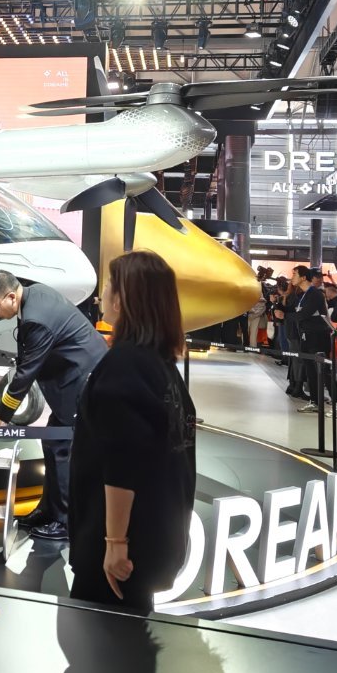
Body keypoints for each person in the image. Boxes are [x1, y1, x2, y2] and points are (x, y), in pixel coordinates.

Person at [68, 250, 196, 613]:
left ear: (123, 299)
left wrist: (115, 543)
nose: (102, 293)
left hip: (116, 548)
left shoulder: (125, 363)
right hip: (153, 533)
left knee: (99, 636)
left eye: (109, 284)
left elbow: (122, 461)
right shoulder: (160, 364)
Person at [0, 268, 107, 542]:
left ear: (11, 297)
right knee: (52, 442)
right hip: (78, 377)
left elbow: (26, 373)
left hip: (83, 382)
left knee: (62, 448)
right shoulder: (35, 293)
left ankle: (65, 521)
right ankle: (49, 509)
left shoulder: (35, 320)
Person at [293, 269, 337, 410]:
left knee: (324, 371)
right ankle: (315, 401)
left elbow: (304, 314)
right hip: (306, 336)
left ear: (303, 278)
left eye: (294, 274)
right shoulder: (303, 294)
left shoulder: (315, 294)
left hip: (318, 337)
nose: (292, 277)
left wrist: (289, 316)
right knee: (310, 371)